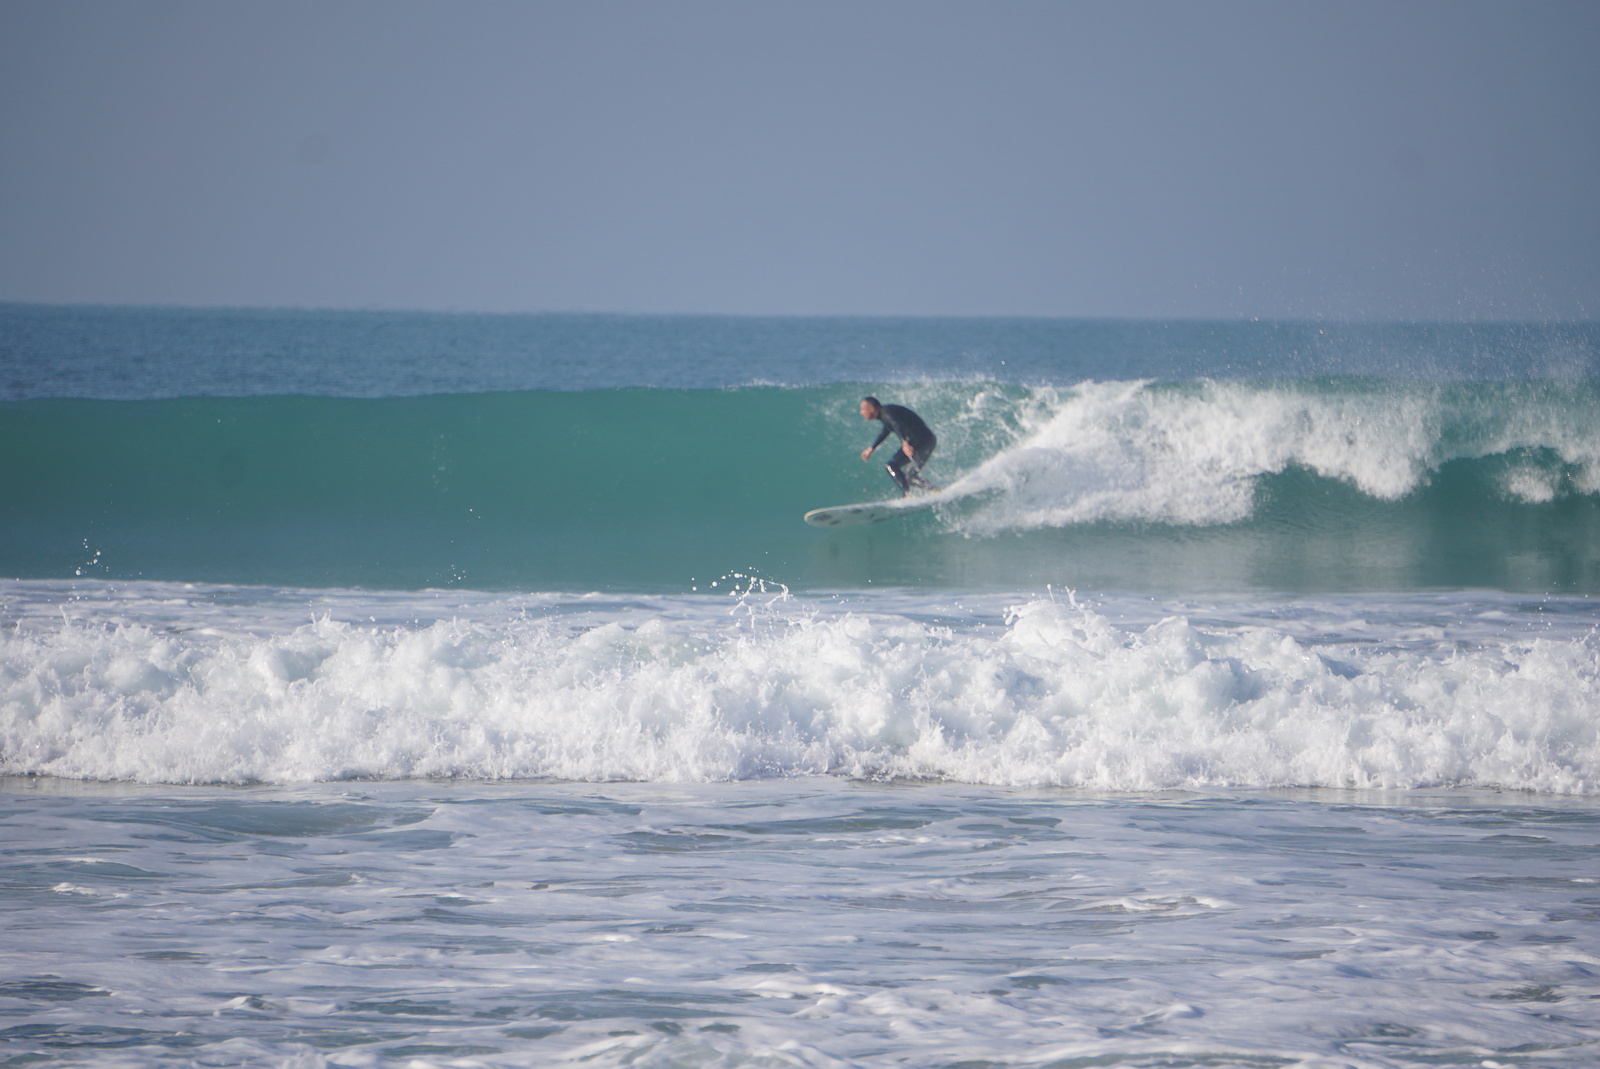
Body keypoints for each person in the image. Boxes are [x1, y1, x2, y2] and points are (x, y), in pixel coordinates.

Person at [858, 396, 936, 495]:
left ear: (872, 409)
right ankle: (935, 490)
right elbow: (887, 430)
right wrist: (871, 448)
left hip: (921, 439)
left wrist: (904, 442)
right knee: (910, 476)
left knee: (891, 465)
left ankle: (907, 494)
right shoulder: (887, 413)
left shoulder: (886, 413)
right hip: (927, 439)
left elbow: (897, 424)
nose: (861, 413)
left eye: (863, 409)